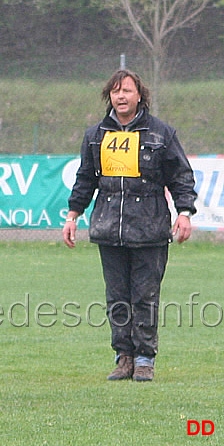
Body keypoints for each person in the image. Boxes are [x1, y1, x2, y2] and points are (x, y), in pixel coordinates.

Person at [62, 70, 197, 382]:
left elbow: (181, 176)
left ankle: (145, 358)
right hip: (109, 229)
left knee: (145, 296)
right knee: (117, 297)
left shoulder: (161, 133)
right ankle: (123, 357)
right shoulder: (96, 135)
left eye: (126, 91)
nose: (120, 96)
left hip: (150, 229)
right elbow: (85, 179)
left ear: (140, 96)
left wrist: (185, 211)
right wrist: (72, 216)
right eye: (115, 91)